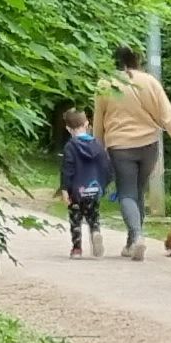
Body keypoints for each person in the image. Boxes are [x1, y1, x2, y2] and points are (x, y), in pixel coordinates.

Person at [90, 46, 171, 259]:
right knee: (138, 192)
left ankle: (136, 237)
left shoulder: (105, 84)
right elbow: (167, 115)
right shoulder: (149, 81)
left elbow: (98, 120)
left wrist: (98, 148)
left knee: (126, 193)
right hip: (148, 145)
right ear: (137, 59)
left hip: (120, 145)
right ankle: (131, 242)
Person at [54, 107, 109, 257]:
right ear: (87, 124)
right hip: (94, 188)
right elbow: (106, 166)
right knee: (94, 216)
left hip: (77, 191)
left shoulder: (70, 146)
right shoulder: (98, 145)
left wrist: (65, 189)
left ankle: (77, 248)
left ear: (67, 128)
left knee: (76, 219)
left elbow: (68, 169)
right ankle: (95, 233)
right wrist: (103, 185)